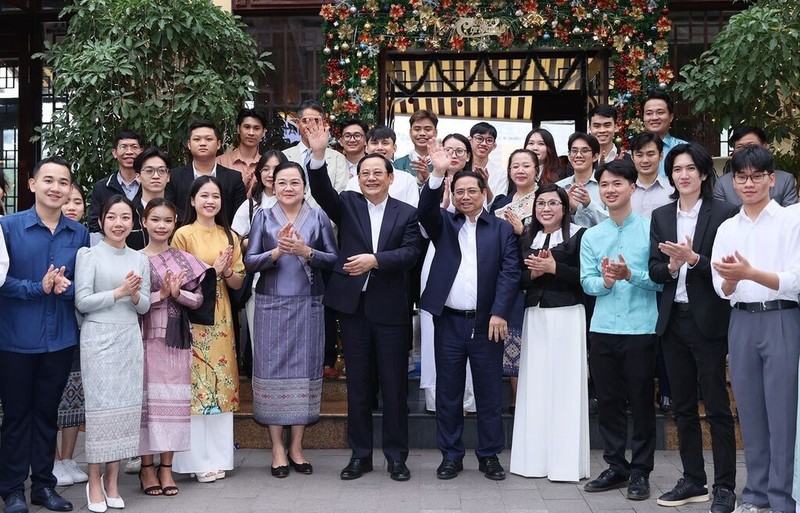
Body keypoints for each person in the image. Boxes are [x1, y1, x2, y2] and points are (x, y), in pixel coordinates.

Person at [306, 119, 420, 482]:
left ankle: (396, 457)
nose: (371, 177)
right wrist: (319, 152)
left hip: (391, 311)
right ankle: (360, 456)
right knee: (358, 386)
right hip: (354, 310)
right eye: (365, 172)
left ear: (390, 177)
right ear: (357, 178)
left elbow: (411, 253)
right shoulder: (348, 205)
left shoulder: (407, 212)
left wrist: (376, 260)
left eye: (378, 173)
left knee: (394, 388)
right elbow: (321, 190)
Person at [418, 143, 521, 481]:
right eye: (458, 191)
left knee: (490, 392)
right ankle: (451, 455)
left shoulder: (501, 228)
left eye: (471, 190)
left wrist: (499, 312)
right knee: (448, 393)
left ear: (482, 193)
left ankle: (490, 455)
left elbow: (510, 272)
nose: (464, 196)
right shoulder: (444, 224)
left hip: (486, 324)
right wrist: (437, 175)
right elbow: (426, 212)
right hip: (448, 321)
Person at [649, 143, 738, 513]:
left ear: (703, 173)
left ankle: (725, 487)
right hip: (673, 320)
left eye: (690, 169)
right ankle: (692, 479)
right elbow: (654, 268)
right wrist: (671, 267)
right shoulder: (661, 215)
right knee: (682, 406)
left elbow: (727, 268)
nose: (683, 175)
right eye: (676, 169)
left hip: (709, 321)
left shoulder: (725, 213)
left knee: (717, 407)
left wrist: (694, 259)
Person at [711, 146, 800, 513]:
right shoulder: (727, 227)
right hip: (741, 320)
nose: (749, 183)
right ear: (733, 182)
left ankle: (782, 498)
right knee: (748, 411)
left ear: (772, 180)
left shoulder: (791, 221)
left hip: (781, 317)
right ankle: (756, 495)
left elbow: (796, 279)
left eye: (756, 176)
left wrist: (751, 274)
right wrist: (733, 282)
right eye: (741, 177)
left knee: (782, 412)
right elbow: (720, 285)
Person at [0, 156, 89, 513]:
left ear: (70, 190)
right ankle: (11, 490)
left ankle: (43, 486)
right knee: (17, 416)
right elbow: (2, 282)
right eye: (48, 180)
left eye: (63, 182)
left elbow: (82, 282)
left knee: (46, 415)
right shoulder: (8, 226)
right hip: (16, 339)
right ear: (32, 183)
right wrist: (38, 287)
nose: (56, 188)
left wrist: (64, 287)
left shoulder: (78, 232)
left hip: (60, 339)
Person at [244, 161, 337, 477]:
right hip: (271, 306)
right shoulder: (264, 217)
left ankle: (297, 446)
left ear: (304, 185)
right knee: (271, 372)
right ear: (272, 185)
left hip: (308, 306)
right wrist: (277, 253)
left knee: (305, 372)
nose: (288, 188)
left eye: (294, 182)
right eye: (281, 182)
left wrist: (305, 250)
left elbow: (333, 259)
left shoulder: (319, 216)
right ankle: (276, 448)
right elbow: (250, 261)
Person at [580, 159, 662, 501]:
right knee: (609, 401)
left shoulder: (651, 229)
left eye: (617, 184)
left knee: (642, 402)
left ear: (632, 187)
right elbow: (586, 282)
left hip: (641, 329)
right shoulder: (592, 235)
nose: (610, 190)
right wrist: (606, 281)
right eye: (605, 185)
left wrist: (632, 276)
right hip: (602, 328)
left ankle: (641, 470)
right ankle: (615, 465)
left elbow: (662, 281)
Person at [74, 195, 151, 512]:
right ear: (101, 221)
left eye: (125, 218)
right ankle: (94, 481)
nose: (118, 223)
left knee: (125, 410)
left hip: (129, 337)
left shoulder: (140, 258)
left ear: (133, 222)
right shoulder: (88, 254)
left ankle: (113, 480)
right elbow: (82, 302)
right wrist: (118, 292)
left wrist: (133, 296)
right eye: (112, 217)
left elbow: (145, 305)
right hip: (98, 337)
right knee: (100, 411)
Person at [510, 183, 589, 481]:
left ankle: (565, 465)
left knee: (565, 387)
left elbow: (586, 278)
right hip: (535, 316)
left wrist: (555, 269)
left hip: (568, 315)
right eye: (541, 203)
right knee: (535, 386)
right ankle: (532, 461)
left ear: (565, 206)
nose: (546, 208)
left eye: (553, 203)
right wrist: (534, 273)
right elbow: (516, 277)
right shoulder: (527, 238)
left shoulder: (580, 235)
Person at [171, 176, 244, 483]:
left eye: (215, 196)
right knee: (196, 385)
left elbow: (238, 282)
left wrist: (226, 269)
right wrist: (212, 268)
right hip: (193, 315)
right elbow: (178, 279)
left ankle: (218, 457)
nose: (210, 201)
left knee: (221, 384)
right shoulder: (182, 235)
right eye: (204, 195)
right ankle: (194, 460)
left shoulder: (230, 235)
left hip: (222, 317)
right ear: (192, 200)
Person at [138, 198, 212, 497]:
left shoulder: (183, 260)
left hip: (175, 340)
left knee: (172, 403)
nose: (161, 225)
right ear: (144, 221)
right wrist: (160, 294)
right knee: (146, 403)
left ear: (175, 222)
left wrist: (177, 292)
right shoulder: (133, 259)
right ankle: (146, 468)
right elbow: (131, 301)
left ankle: (165, 468)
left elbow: (198, 301)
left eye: (167, 220)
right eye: (155, 219)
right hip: (142, 338)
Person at [419, 134, 478, 414]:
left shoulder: (479, 186)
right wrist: (438, 184)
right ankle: (438, 398)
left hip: (473, 264)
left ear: (468, 155)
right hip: (439, 259)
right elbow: (424, 225)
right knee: (436, 332)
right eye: (448, 149)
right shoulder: (435, 183)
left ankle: (469, 399)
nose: (453, 155)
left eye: (460, 150)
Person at [490, 149, 540, 412]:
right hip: (505, 278)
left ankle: (535, 399)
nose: (520, 170)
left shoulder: (545, 200)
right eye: (515, 166)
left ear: (536, 170)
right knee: (512, 339)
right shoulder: (501, 202)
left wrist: (523, 232)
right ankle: (516, 398)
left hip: (536, 278)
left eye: (526, 166)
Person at [52, 184, 89, 488]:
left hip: (79, 326)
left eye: (78, 201)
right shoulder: (54, 240)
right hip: (51, 323)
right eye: (68, 201)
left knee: (75, 392)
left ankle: (68, 458)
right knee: (50, 394)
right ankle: (51, 461)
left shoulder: (86, 239)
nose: (72, 206)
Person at [165, 120, 247, 225]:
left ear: (218, 144)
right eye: (197, 139)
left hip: (223, 238)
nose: (203, 143)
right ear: (189, 145)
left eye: (208, 139)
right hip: (183, 237)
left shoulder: (233, 178)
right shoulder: (174, 176)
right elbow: (169, 210)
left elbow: (240, 216)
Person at [282, 100, 349, 207]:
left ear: (323, 123)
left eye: (316, 121)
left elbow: (341, 196)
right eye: (305, 121)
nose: (310, 125)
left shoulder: (338, 159)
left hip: (326, 221)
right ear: (297, 124)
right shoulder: (283, 156)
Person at [88, 131, 146, 248]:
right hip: (111, 252)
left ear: (141, 151)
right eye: (123, 147)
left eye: (134, 147)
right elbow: (95, 223)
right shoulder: (102, 186)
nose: (129, 152)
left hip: (146, 252)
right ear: (114, 153)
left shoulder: (149, 185)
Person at [714, 126, 797, 207]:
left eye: (751, 146)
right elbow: (721, 216)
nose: (746, 151)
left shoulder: (785, 180)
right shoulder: (722, 184)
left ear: (764, 146)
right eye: (740, 147)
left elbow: (790, 215)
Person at [344, 126, 419, 207]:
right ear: (366, 148)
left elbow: (413, 213)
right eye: (374, 143)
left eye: (385, 143)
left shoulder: (407, 181)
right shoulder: (354, 182)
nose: (379, 148)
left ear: (394, 148)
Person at [557, 133, 607, 228]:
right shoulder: (559, 187)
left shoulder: (606, 185)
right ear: (569, 156)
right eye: (574, 151)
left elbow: (612, 222)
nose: (578, 155)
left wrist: (588, 204)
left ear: (595, 157)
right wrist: (571, 210)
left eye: (584, 151)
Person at [217, 108, 267, 193]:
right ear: (238, 129)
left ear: (263, 132)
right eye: (247, 127)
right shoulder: (220, 162)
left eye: (256, 128)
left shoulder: (266, 165)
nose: (251, 133)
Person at [641, 91, 687, 177]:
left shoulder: (685, 149)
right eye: (649, 113)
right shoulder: (634, 153)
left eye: (660, 112)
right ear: (643, 117)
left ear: (671, 117)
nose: (654, 117)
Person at [631, 132, 674, 219]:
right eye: (639, 155)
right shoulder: (624, 191)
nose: (645, 160)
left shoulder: (672, 190)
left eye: (650, 154)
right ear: (632, 158)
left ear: (661, 156)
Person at [394, 109, 438, 187]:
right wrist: (418, 180)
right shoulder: (398, 164)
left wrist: (429, 177)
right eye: (417, 129)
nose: (422, 133)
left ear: (435, 133)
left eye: (427, 129)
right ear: (410, 133)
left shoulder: (442, 164)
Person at [470, 122, 508, 200]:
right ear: (470, 140)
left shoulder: (501, 173)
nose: (484, 143)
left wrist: (485, 184)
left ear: (494, 146)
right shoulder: (461, 167)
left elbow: (498, 204)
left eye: (489, 140)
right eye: (479, 138)